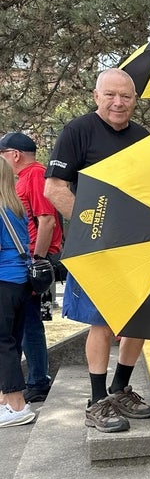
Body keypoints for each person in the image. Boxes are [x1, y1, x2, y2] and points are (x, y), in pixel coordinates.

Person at [44, 68, 150, 433]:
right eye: (110, 95)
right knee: (103, 322)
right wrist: (94, 227)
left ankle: (121, 388)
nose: (118, 102)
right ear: (96, 96)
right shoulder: (77, 132)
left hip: (135, 246)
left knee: (139, 319)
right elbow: (55, 189)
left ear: (135, 100)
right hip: (94, 247)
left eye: (125, 96)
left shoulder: (144, 139)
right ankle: (96, 402)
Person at [0, 132, 64, 403]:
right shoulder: (21, 180)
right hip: (25, 262)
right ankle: (27, 383)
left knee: (29, 324)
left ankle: (38, 379)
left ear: (14, 155)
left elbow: (46, 220)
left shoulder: (35, 176)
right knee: (24, 324)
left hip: (31, 262)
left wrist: (36, 261)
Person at [0, 158, 36, 428]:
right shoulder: (15, 207)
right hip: (20, 281)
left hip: (3, 280)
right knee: (12, 339)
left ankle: (16, 405)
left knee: (3, 344)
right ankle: (7, 400)